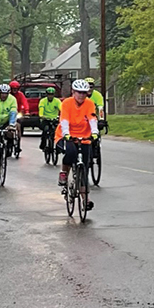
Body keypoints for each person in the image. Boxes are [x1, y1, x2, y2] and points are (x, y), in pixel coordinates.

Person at [55, 79, 99, 211]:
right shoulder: (67, 103)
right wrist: (66, 134)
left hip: (84, 137)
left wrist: (95, 132)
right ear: (73, 92)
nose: (81, 95)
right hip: (65, 135)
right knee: (70, 152)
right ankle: (64, 173)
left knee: (84, 167)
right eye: (79, 92)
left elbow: (92, 118)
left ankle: (86, 200)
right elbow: (64, 120)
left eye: (84, 93)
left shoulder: (89, 103)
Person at [38, 86, 62, 151]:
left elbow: (61, 109)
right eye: (49, 94)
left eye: (52, 94)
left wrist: (61, 116)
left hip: (54, 119)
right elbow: (41, 110)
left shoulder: (57, 101)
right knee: (45, 130)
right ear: (46, 94)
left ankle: (59, 146)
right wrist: (41, 115)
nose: (50, 96)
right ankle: (43, 144)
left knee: (58, 131)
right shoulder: (43, 101)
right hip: (45, 119)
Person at [9, 80, 28, 157]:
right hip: (9, 114)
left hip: (18, 113)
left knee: (19, 127)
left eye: (16, 88)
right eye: (13, 88)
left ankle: (18, 143)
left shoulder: (20, 95)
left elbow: (25, 102)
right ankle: (9, 143)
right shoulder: (8, 95)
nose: (15, 90)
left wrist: (26, 111)